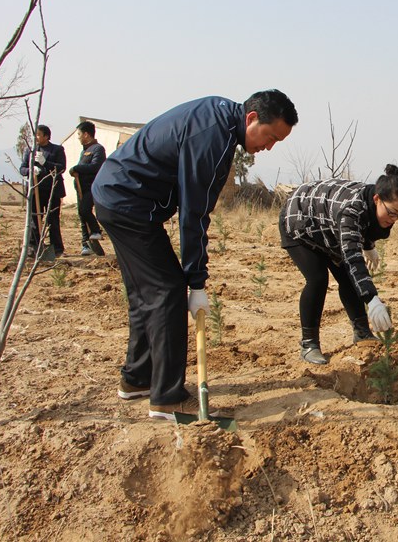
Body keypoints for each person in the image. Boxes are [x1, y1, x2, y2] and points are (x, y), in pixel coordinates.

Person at [92, 90, 298, 421]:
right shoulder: (213, 137)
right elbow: (194, 212)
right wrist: (196, 282)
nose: (269, 147)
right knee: (167, 291)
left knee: (146, 293)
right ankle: (167, 398)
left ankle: (137, 379)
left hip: (118, 195)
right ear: (252, 119)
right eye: (270, 136)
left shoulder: (219, 120)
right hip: (127, 201)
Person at [279, 164, 398, 364]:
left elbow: (365, 225)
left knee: (348, 279)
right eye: (392, 213)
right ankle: (309, 344)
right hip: (300, 221)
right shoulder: (350, 211)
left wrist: (368, 245)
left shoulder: (374, 202)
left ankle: (362, 333)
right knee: (318, 279)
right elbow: (352, 257)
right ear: (377, 199)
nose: (394, 219)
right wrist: (371, 299)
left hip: (328, 226)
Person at [20, 125, 66, 258]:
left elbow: (61, 168)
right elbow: (22, 168)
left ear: (46, 136)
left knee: (53, 220)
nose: (36, 137)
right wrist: (30, 170)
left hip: (52, 190)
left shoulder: (57, 150)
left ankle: (57, 248)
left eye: (39, 134)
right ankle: (34, 247)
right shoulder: (30, 151)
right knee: (34, 219)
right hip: (36, 190)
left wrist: (45, 163)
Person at [68, 120, 106, 256]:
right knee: (82, 215)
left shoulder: (98, 149)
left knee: (85, 210)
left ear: (86, 134)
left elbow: (96, 167)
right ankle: (86, 244)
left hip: (92, 187)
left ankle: (96, 231)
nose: (78, 137)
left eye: (79, 134)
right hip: (81, 189)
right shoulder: (84, 151)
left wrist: (77, 168)